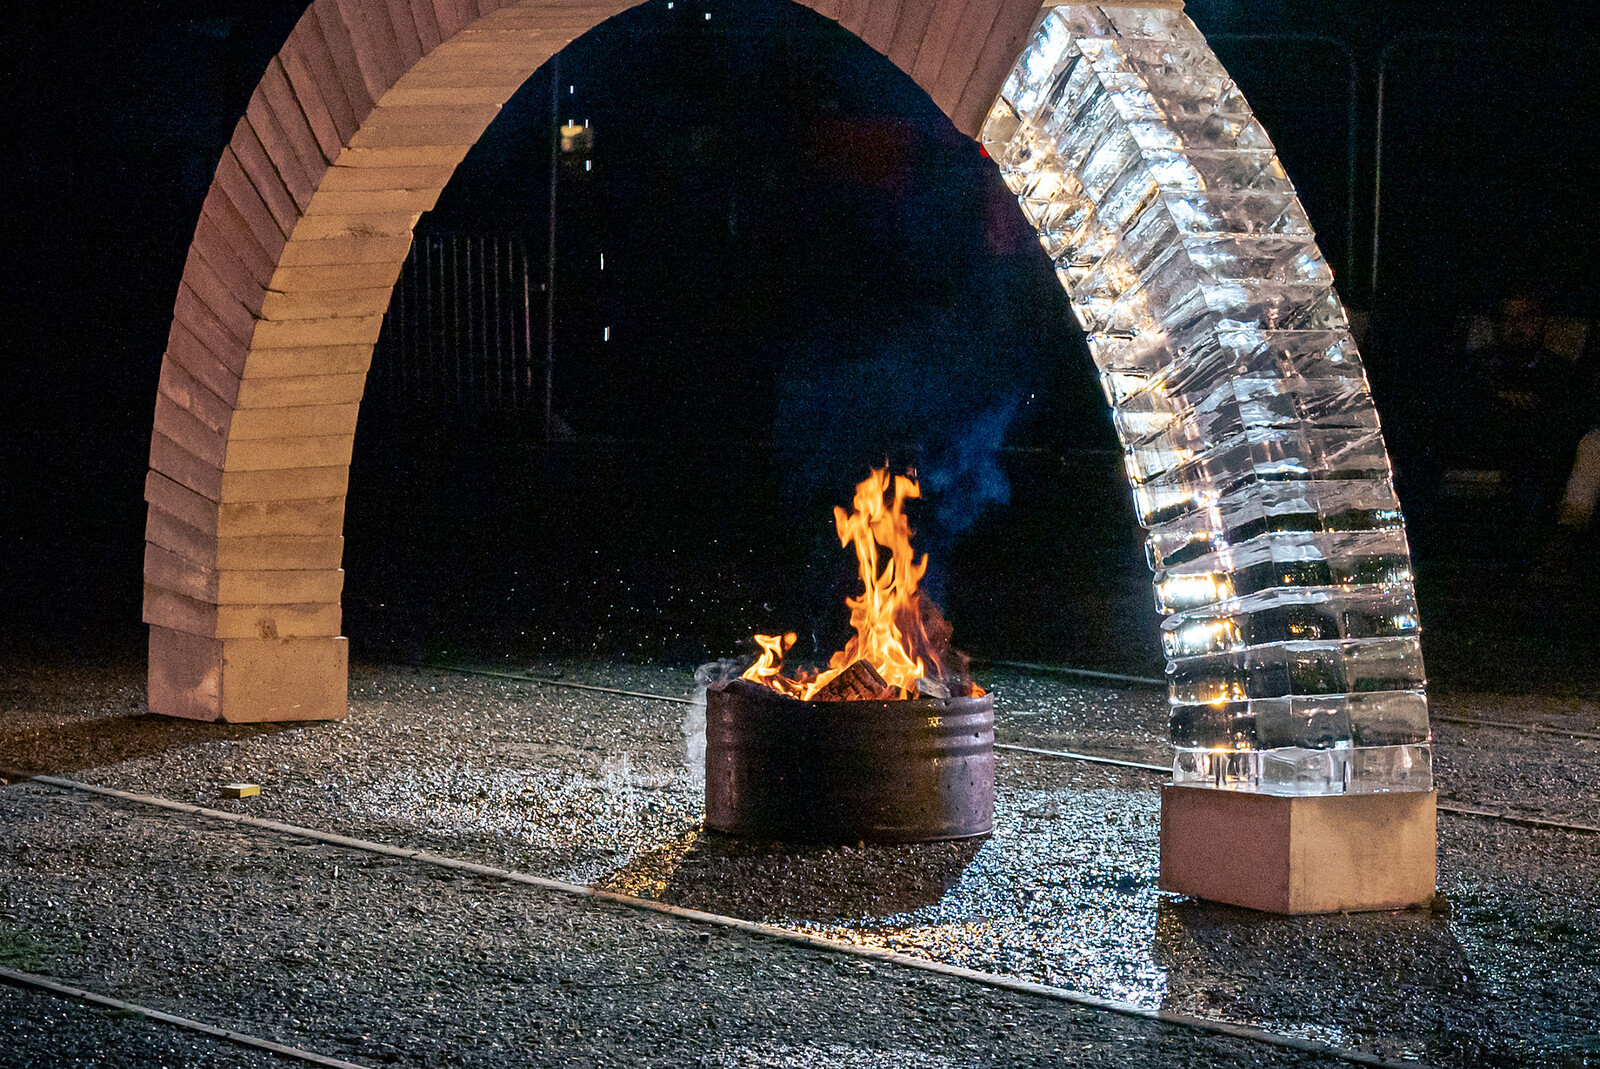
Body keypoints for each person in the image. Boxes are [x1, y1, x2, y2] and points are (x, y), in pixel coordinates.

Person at [1460, 294, 1591, 569]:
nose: (1516, 326)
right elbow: (1462, 401)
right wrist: (1500, 397)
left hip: (1535, 446)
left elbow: (1571, 416)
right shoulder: (1478, 364)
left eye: (1525, 318)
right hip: (1482, 440)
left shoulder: (1559, 371)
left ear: (1543, 324)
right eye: (1508, 319)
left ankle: (1524, 553)